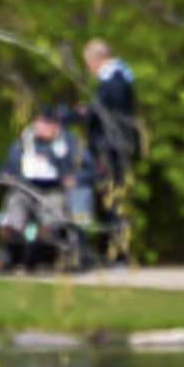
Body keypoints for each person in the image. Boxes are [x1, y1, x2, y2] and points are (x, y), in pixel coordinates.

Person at [0, 108, 90, 272]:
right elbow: (6, 168)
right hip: (25, 187)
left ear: (54, 126)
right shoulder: (21, 144)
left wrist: (73, 178)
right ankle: (12, 236)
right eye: (37, 123)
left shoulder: (69, 144)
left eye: (45, 124)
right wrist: (5, 176)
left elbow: (88, 170)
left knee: (53, 204)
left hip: (54, 189)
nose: (39, 127)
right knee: (15, 201)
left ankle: (50, 237)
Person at [76, 38, 140, 267]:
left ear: (97, 59)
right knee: (110, 199)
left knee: (113, 198)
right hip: (114, 145)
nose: (88, 69)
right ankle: (112, 250)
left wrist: (86, 113)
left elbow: (106, 114)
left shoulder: (113, 81)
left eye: (88, 63)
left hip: (111, 148)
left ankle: (118, 252)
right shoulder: (120, 77)